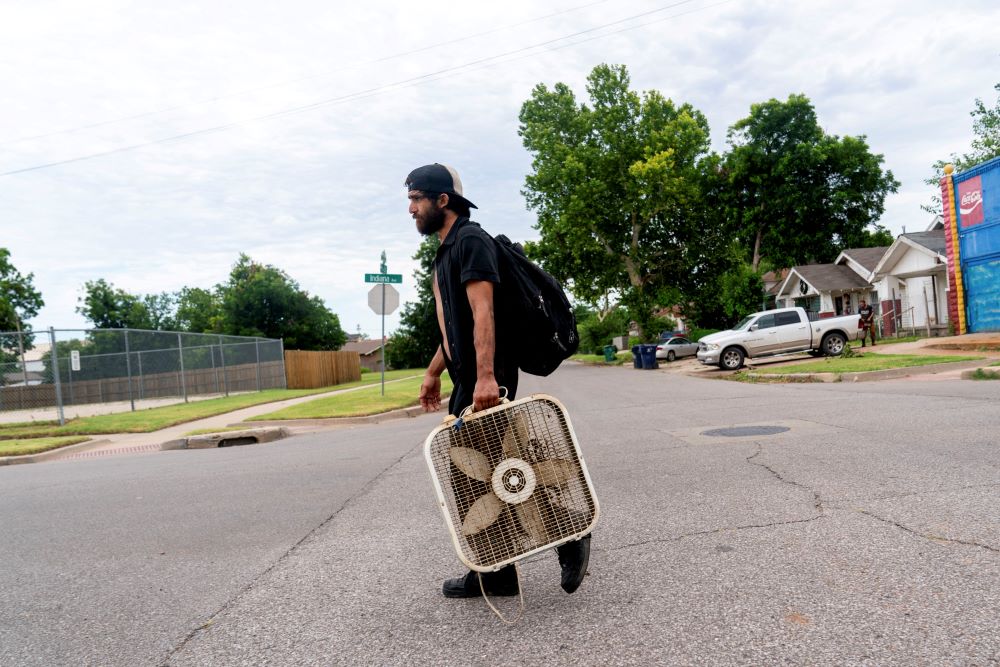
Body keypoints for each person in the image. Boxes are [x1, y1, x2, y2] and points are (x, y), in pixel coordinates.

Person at [406, 163, 590, 599]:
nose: (411, 209)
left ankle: (570, 534)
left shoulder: (470, 242)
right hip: (467, 379)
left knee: (501, 472)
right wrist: (434, 372)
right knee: (481, 477)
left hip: (485, 380)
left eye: (416, 199)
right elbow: (455, 325)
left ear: (442, 200)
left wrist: (487, 377)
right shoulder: (446, 251)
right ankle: (496, 571)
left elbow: (484, 312)